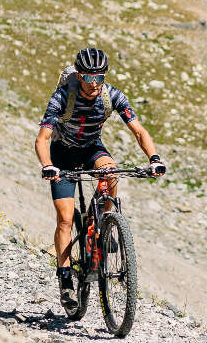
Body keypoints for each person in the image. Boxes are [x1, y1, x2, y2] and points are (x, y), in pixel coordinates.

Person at [36, 47, 165, 299]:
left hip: (91, 148)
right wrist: (47, 165)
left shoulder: (113, 96)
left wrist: (154, 159)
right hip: (62, 153)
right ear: (79, 75)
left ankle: (103, 223)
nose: (94, 84)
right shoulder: (62, 96)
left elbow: (139, 131)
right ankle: (64, 279)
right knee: (64, 219)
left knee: (111, 173)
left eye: (100, 77)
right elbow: (43, 137)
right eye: (88, 77)